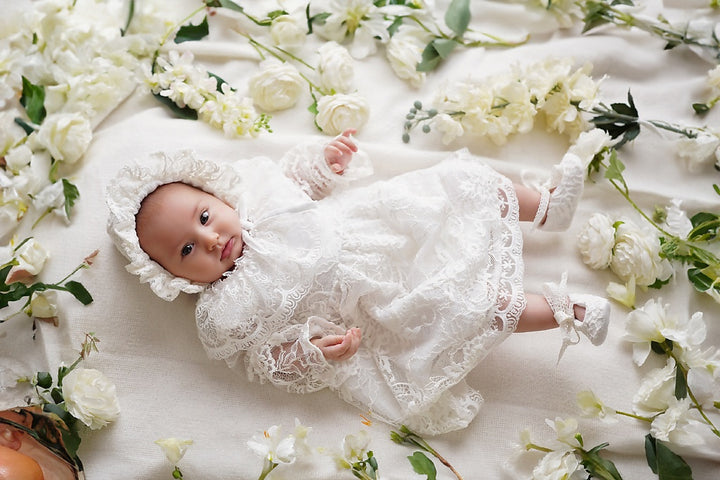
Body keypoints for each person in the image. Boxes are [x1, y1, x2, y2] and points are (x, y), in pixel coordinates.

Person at [106, 130, 610, 435]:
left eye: (204, 216)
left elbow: (298, 181)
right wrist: (310, 351)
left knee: (460, 185)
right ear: (170, 277)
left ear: (218, 196)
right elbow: (263, 361)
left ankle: (544, 206)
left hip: (379, 224)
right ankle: (569, 312)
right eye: (187, 250)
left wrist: (325, 162)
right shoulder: (225, 310)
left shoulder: (258, 195)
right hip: (377, 303)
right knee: (468, 308)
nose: (211, 238)